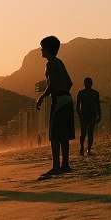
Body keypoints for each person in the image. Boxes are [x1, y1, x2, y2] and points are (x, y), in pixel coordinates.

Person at [35, 36, 75, 177]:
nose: (41, 50)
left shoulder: (50, 64)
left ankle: (56, 166)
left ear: (47, 49)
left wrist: (41, 97)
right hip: (68, 99)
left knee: (54, 135)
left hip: (58, 100)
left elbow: (51, 85)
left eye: (42, 47)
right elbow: (69, 83)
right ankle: (65, 164)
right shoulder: (59, 62)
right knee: (64, 135)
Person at [76, 77, 101, 156]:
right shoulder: (81, 93)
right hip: (83, 115)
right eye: (86, 83)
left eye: (88, 83)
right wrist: (79, 114)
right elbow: (77, 105)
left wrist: (99, 115)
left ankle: (89, 149)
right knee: (83, 133)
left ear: (91, 84)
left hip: (92, 115)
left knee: (90, 132)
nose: (87, 84)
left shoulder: (95, 93)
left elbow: (98, 105)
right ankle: (82, 147)